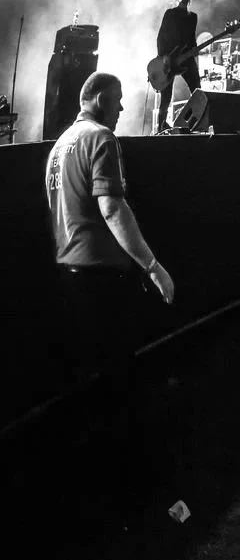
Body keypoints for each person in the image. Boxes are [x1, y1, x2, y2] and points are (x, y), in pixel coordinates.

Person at [45, 72, 176, 456]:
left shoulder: (59, 146)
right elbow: (112, 207)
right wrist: (153, 266)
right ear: (100, 98)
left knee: (91, 378)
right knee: (116, 377)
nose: (121, 108)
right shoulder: (101, 139)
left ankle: (96, 459)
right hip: (100, 276)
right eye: (117, 100)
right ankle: (126, 462)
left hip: (68, 275)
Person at [154, 0, 200, 133]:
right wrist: (163, 58)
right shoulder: (170, 14)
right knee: (165, 97)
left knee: (197, 89)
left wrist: (194, 50)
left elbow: (191, 38)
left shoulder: (193, 17)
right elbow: (161, 37)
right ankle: (161, 126)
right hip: (169, 58)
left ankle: (196, 120)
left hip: (185, 58)